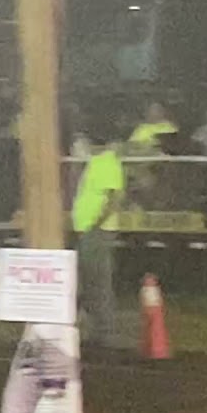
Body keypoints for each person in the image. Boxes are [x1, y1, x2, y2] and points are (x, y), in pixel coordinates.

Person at [71, 130, 125, 349]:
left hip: (96, 231)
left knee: (98, 282)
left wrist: (97, 224)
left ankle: (104, 333)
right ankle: (96, 331)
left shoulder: (107, 162)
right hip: (88, 230)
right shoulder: (94, 163)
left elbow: (114, 197)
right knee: (90, 281)